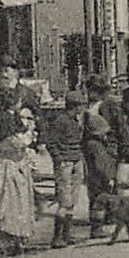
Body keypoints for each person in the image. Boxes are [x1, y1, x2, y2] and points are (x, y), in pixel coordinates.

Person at [0, 106, 40, 256]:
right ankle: (0, 242)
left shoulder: (8, 135)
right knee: (7, 206)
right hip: (8, 171)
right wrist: (30, 131)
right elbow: (20, 144)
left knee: (14, 206)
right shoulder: (9, 139)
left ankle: (11, 241)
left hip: (15, 171)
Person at [40, 92, 87, 248]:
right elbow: (50, 142)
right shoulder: (61, 121)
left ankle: (67, 234)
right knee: (63, 201)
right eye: (80, 105)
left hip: (76, 160)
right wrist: (59, 160)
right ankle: (57, 237)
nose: (82, 108)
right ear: (74, 106)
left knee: (72, 200)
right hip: (65, 163)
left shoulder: (75, 120)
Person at [81, 77, 121, 239]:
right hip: (93, 146)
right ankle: (99, 222)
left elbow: (118, 125)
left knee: (107, 184)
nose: (90, 94)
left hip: (106, 145)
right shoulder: (86, 106)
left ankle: (109, 217)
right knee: (99, 186)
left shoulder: (108, 104)